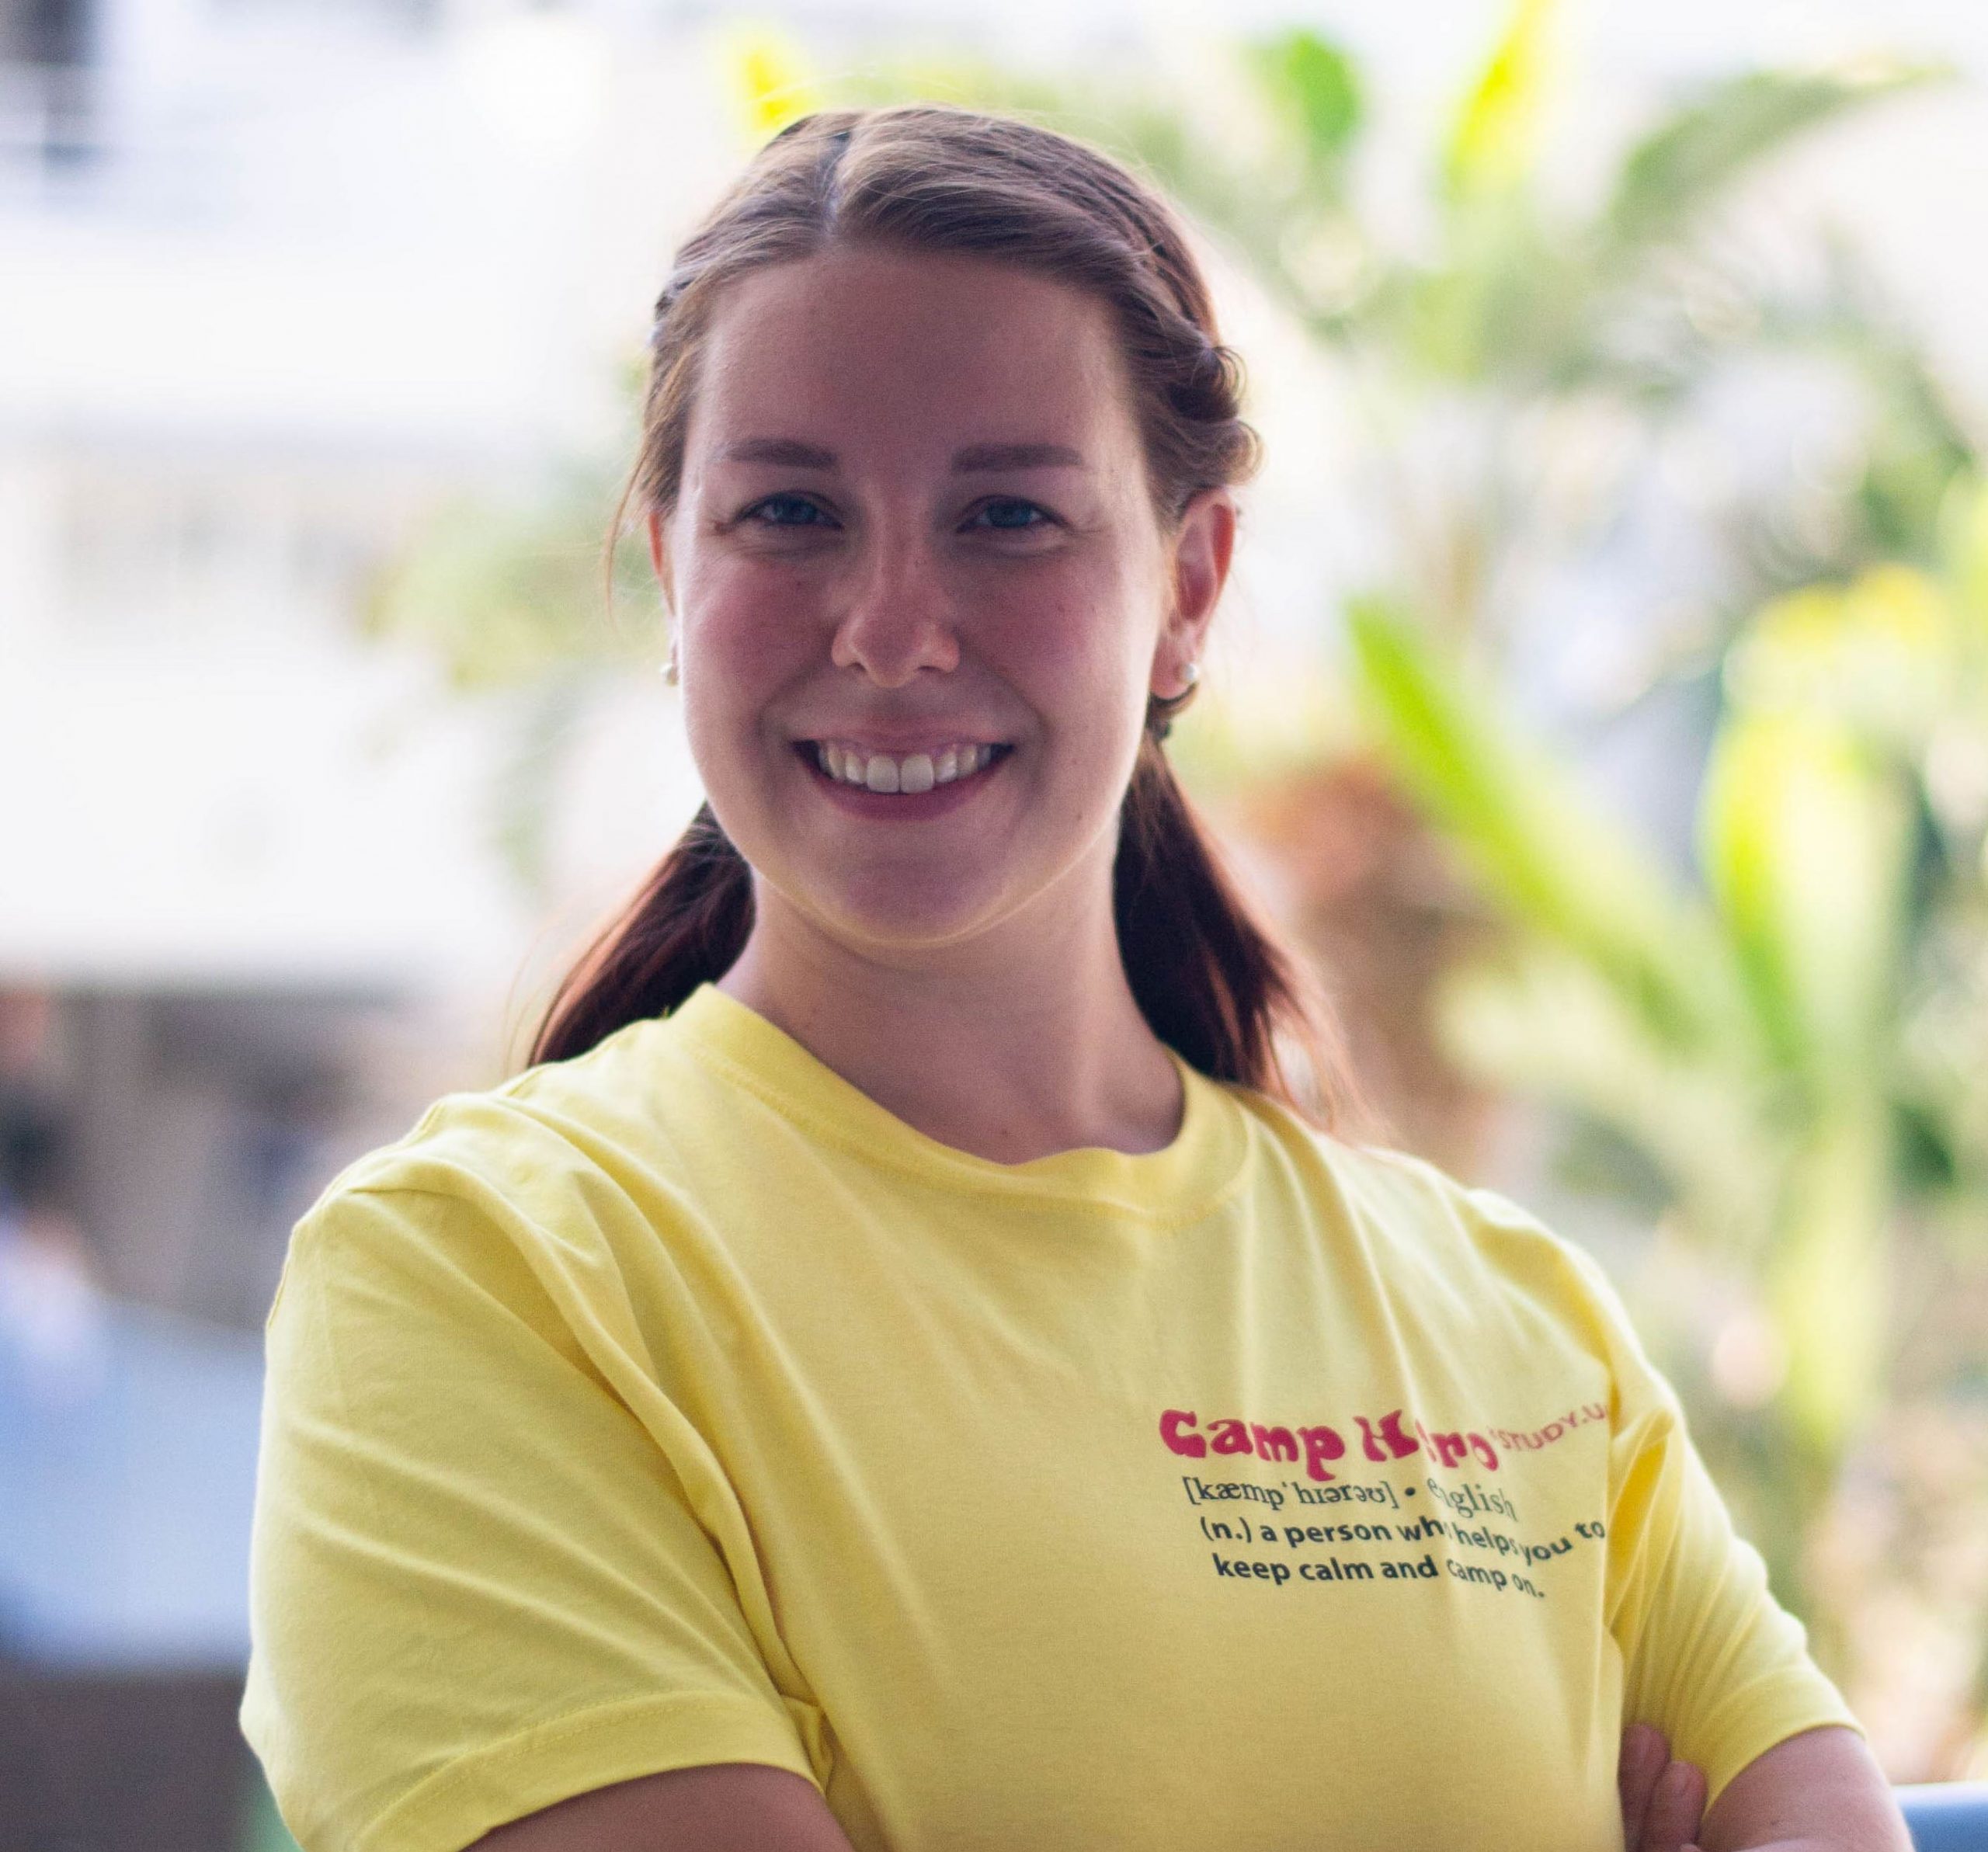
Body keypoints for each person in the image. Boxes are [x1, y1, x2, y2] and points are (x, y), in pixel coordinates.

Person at [239, 106, 1907, 1852]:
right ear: (673, 566)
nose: (891, 629)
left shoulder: (1518, 1320)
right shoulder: (482, 1283)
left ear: (1187, 585)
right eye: (789, 511)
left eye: (1008, 516)